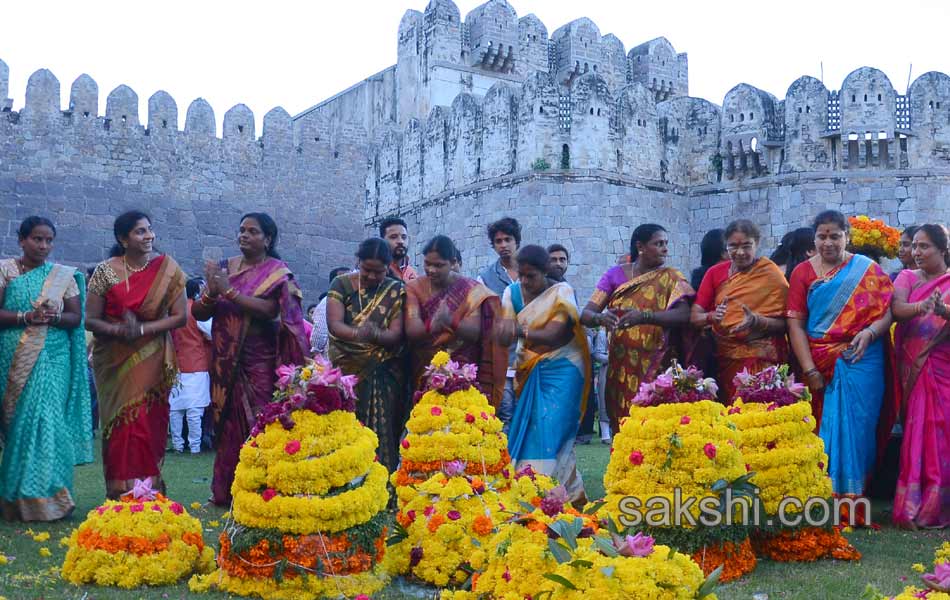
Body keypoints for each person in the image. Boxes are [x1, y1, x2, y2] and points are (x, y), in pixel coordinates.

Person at [193, 212, 307, 505]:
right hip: (224, 361)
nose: (244, 235)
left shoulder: (276, 273)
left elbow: (271, 311)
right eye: (241, 230)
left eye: (252, 231)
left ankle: (260, 488)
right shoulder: (224, 267)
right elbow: (199, 313)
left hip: (259, 361)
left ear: (267, 239)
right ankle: (226, 491)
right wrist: (210, 294)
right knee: (227, 425)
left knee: (259, 421)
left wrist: (227, 291)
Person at [786, 210, 894, 519]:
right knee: (823, 428)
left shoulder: (866, 269)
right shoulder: (803, 273)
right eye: (822, 236)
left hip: (863, 357)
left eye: (835, 236)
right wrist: (809, 370)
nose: (828, 242)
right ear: (814, 238)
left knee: (860, 427)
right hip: (819, 359)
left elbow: (887, 310)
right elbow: (796, 325)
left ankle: (855, 495)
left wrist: (870, 333)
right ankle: (826, 498)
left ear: (847, 236)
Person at [86, 210, 187, 499]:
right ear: (123, 238)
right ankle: (120, 490)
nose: (149, 236)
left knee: (145, 421)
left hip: (152, 355)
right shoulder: (105, 271)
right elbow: (90, 320)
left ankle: (147, 489)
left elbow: (180, 317)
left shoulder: (168, 268)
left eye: (150, 230)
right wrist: (118, 331)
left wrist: (142, 330)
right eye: (140, 231)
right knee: (120, 425)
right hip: (113, 360)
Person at [0, 217, 92, 521]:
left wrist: (52, 317)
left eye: (48, 240)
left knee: (49, 421)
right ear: (22, 240)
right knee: (20, 425)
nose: (43, 246)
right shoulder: (5, 270)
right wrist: (26, 316)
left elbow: (75, 318)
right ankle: (15, 499)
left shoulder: (63, 276)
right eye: (37, 239)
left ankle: (54, 498)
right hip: (14, 355)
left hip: (54, 357)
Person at [497, 245, 589, 504]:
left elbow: (555, 334)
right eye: (521, 275)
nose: (524, 282)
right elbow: (504, 333)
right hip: (529, 370)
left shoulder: (562, 292)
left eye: (531, 276)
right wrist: (503, 331)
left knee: (552, 427)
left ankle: (547, 493)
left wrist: (518, 331)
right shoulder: (511, 291)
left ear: (545, 272)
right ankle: (562, 494)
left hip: (566, 369)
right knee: (533, 429)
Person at [580, 224, 693, 435]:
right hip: (622, 365)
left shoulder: (672, 277)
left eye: (666, 244)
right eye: (658, 244)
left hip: (659, 363)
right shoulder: (614, 276)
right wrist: (601, 318)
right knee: (623, 423)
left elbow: (684, 315)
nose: (665, 249)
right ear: (640, 247)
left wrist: (645, 316)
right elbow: (586, 314)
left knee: (657, 426)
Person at [328, 238, 406, 472]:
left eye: (379, 272)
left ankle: (380, 482)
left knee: (383, 428)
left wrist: (377, 336)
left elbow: (396, 335)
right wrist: (360, 334)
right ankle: (344, 481)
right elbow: (334, 325)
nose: (372, 277)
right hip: (346, 371)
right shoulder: (341, 284)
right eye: (367, 270)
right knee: (345, 426)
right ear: (357, 262)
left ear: (389, 267)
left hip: (382, 372)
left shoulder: (396, 290)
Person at [891, 223, 950, 529]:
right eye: (914, 246)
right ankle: (911, 508)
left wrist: (944, 311)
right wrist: (921, 307)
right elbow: (897, 308)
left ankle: (935, 506)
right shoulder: (907, 277)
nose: (916, 252)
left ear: (942, 250)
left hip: (943, 364)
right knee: (916, 431)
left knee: (943, 433)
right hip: (913, 365)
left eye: (924, 246)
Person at [690, 220, 789, 402]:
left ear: (757, 244)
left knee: (762, 414)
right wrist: (712, 316)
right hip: (725, 357)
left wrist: (758, 321)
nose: (740, 252)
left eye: (746, 245)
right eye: (733, 246)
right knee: (734, 410)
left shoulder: (771, 274)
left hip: (762, 357)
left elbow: (788, 323)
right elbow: (695, 316)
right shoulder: (714, 273)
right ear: (726, 247)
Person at [404, 235, 506, 406]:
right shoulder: (415, 288)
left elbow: (473, 333)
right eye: (427, 263)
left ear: (452, 262)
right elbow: (412, 330)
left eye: (438, 265)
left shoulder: (472, 290)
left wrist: (449, 320)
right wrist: (433, 324)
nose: (431, 270)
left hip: (463, 374)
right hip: (425, 371)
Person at [478, 217, 522, 430]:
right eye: (498, 241)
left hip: (533, 354)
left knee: (529, 417)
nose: (503, 245)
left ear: (517, 241)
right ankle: (505, 462)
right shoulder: (485, 278)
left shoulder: (532, 272)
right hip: (501, 357)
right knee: (504, 416)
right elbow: (482, 316)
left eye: (508, 239)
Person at [168, 278, 213, 454]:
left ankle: (178, 445)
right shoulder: (196, 309)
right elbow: (210, 332)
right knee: (194, 410)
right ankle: (194, 446)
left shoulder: (175, 311)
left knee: (176, 409)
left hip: (177, 363)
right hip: (196, 363)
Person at [311, 267, 350, 357]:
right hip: (329, 359)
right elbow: (320, 331)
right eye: (345, 278)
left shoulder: (351, 301)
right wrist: (317, 354)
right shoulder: (327, 301)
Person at [379, 217, 417, 282]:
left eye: (404, 237)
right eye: (393, 237)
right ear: (382, 240)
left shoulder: (413, 274)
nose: (401, 241)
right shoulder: (375, 272)